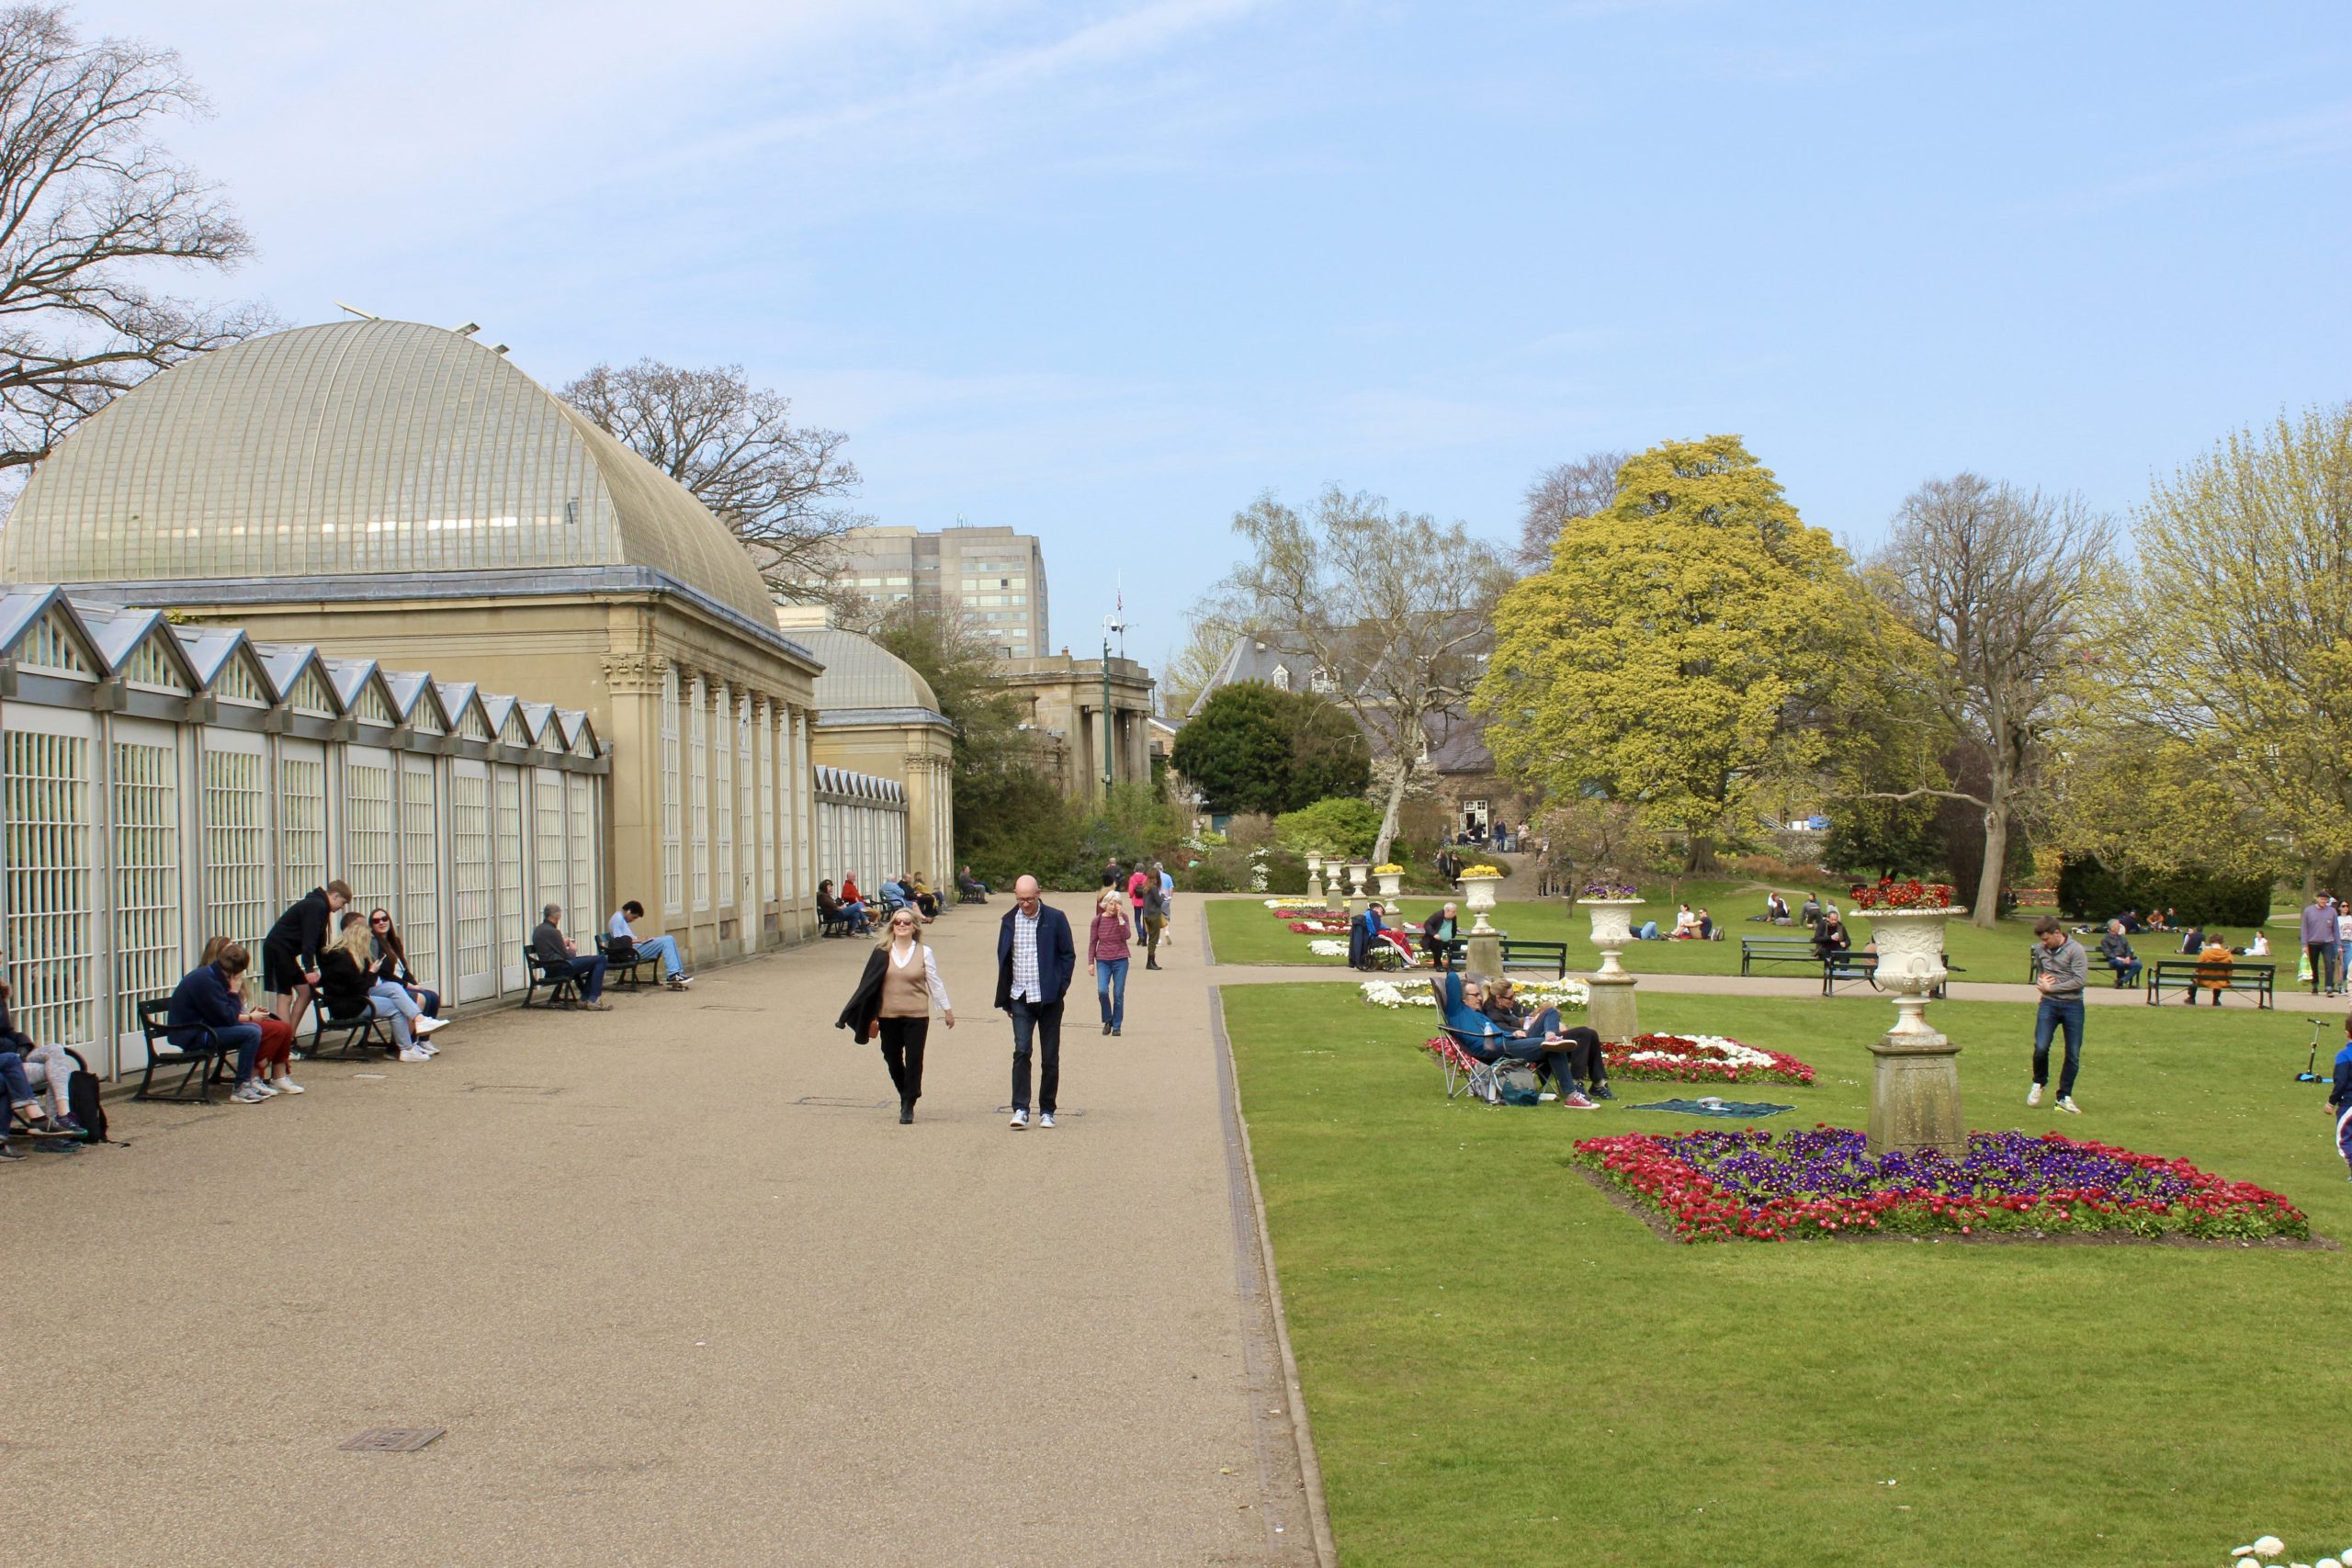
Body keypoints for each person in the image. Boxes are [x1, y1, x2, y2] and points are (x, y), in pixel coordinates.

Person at [835, 905, 955, 1123]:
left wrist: (947, 1010)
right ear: (892, 926)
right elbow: (867, 986)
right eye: (897, 922)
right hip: (888, 1015)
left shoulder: (924, 952)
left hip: (917, 1015)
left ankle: (908, 1104)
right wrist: (856, 1014)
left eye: (906, 922)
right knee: (891, 1057)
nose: (901, 925)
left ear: (914, 927)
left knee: (914, 1058)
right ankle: (906, 1091)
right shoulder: (882, 951)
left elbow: (935, 983)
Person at [1437, 972, 1595, 1109]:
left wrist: (1513, 1034)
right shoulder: (1456, 1011)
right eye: (1475, 995)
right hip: (1496, 1049)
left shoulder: (1478, 1014)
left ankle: (1550, 1037)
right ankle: (1571, 1095)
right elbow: (1451, 978)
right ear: (1463, 999)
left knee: (1550, 1012)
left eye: (1479, 994)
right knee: (1553, 1048)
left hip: (1509, 1042)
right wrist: (1456, 970)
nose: (1480, 998)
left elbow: (1498, 1031)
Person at [995, 875, 1075, 1130]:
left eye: (1029, 899)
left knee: (1050, 1056)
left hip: (1049, 998)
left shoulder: (1055, 918)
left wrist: (1060, 987)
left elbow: (1068, 955)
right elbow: (1004, 959)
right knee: (1022, 1051)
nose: (1025, 904)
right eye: (1020, 899)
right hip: (1020, 996)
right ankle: (1020, 1108)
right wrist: (1006, 997)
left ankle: (1047, 1110)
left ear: (1038, 894)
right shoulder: (1009, 921)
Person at [166, 942, 271, 1104]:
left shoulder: (211, 975)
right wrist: (234, 992)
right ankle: (241, 1086)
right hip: (193, 1034)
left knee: (253, 1028)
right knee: (251, 1033)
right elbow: (228, 1018)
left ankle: (247, 1081)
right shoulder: (205, 981)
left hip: (203, 1028)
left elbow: (226, 1015)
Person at [198, 934, 302, 1095]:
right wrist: (250, 1017)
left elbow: (234, 1009)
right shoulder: (210, 979)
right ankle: (255, 1075)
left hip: (235, 1020)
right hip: (219, 1026)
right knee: (271, 1030)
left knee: (284, 1027)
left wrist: (252, 1013)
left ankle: (279, 1075)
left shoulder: (231, 977)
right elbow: (220, 1014)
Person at [321, 916, 432, 1059]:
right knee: (396, 1009)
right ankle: (406, 1048)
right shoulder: (343, 958)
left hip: (354, 998)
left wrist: (371, 971)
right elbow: (358, 987)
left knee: (392, 986)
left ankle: (419, 1020)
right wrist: (372, 972)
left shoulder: (345, 955)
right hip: (348, 1004)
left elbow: (360, 984)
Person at [0, 954, 83, 1130]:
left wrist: (23, 1043)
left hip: (15, 1055)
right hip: (6, 1064)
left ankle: (63, 1115)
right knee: (57, 1070)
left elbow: (8, 1031)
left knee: (55, 1051)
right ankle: (51, 1127)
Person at [262, 879, 351, 1031]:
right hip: (278, 949)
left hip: (287, 952)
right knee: (285, 995)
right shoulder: (316, 906)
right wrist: (309, 969)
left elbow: (319, 944)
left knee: (306, 992)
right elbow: (309, 940)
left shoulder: (321, 908)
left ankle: (290, 1036)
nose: (342, 907)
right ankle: (284, 1044)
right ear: (335, 896)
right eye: (342, 903)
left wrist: (327, 967)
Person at [2027, 917, 2086, 1113]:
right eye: (2042, 940)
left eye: (2047, 939)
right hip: (2049, 1005)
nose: (2044, 943)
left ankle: (2064, 1097)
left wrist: (2052, 988)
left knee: (2073, 1053)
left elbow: (2079, 980)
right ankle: (2039, 1081)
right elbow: (2042, 973)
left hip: (2073, 1006)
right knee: (2041, 1046)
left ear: (2057, 933)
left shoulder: (2076, 950)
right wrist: (2042, 982)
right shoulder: (2040, 950)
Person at [531, 904, 612, 1011]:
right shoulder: (553, 932)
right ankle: (592, 999)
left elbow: (551, 948)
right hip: (561, 966)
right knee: (601, 959)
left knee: (595, 961)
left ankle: (585, 998)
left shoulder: (538, 930)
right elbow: (568, 956)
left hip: (551, 966)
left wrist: (562, 943)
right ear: (557, 916)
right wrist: (573, 949)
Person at [368, 909, 445, 1019]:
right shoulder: (375, 945)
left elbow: (404, 969)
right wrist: (409, 985)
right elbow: (384, 974)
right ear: (372, 925)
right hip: (392, 985)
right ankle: (411, 1035)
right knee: (422, 998)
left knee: (433, 998)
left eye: (384, 919)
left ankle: (424, 1035)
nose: (381, 923)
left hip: (403, 983)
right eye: (376, 921)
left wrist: (414, 984)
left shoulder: (395, 942)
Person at [606, 900, 693, 990]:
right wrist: (639, 940)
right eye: (634, 917)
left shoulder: (621, 919)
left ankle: (676, 973)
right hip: (631, 951)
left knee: (669, 939)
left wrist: (643, 941)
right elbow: (619, 942)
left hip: (634, 948)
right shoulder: (618, 919)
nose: (633, 920)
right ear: (628, 912)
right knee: (666, 940)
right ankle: (673, 974)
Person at [1087, 888, 1132, 1037]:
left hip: (1121, 959)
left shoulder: (1123, 917)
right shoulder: (1098, 920)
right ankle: (1108, 1019)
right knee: (1102, 991)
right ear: (1105, 904)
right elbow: (1093, 942)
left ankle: (1117, 1026)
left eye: (1117, 904)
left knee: (1118, 994)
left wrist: (1120, 919)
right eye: (1111, 904)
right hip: (1103, 960)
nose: (1113, 907)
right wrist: (1090, 962)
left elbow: (1127, 935)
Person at [2328, 1015, 2352, 1184]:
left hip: (2349, 1104)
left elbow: (2341, 1081)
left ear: (2347, 1033)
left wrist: (2331, 1102)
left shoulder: (2344, 1056)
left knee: (2345, 1139)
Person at [2303, 894, 2340, 998]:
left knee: (2329, 964)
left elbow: (2336, 929)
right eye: (2321, 899)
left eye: (2325, 900)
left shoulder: (2332, 911)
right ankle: (2314, 985)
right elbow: (2304, 929)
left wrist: (2339, 945)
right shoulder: (2308, 911)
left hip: (2328, 942)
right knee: (2313, 965)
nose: (2323, 901)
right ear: (2317, 899)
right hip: (2312, 942)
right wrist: (2304, 945)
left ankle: (2329, 987)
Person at [2096, 920, 2143, 988]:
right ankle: (2120, 983)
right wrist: (2119, 959)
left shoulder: (2122, 938)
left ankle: (2122, 981)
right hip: (2113, 960)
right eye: (2117, 925)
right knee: (2120, 963)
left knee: (2138, 965)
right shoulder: (2105, 939)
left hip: (2125, 959)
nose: (2119, 927)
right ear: (2112, 927)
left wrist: (2128, 957)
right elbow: (2107, 953)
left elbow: (2128, 949)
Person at [2191, 934, 2234, 1006]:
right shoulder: (2227, 954)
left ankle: (2191, 998)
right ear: (2222, 942)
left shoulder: (2205, 953)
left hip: (2205, 979)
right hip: (2221, 980)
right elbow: (2230, 969)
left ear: (2211, 941)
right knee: (2218, 976)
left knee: (2194, 976)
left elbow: (2197, 967)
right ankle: (2216, 1000)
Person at [1142, 871, 1170, 969]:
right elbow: (1159, 902)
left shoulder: (1146, 887)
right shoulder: (1153, 888)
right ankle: (1150, 962)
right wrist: (1163, 895)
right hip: (1154, 915)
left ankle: (1152, 961)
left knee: (1151, 938)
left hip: (1147, 915)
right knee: (1153, 939)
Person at [1420, 902, 1459, 967]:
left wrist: (1455, 928)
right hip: (1434, 941)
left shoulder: (1453, 918)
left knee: (1456, 946)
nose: (1455, 913)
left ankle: (1451, 965)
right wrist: (1434, 934)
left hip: (1447, 940)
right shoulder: (1438, 916)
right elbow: (1427, 924)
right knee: (1438, 945)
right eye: (1453, 912)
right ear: (1447, 911)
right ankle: (1438, 965)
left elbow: (1452, 927)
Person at [1126, 862, 1150, 941]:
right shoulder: (1146, 878)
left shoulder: (1132, 878)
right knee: (1145, 919)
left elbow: (1130, 891)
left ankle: (1140, 934)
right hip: (1145, 901)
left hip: (1136, 901)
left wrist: (1131, 896)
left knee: (1137, 919)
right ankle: (1144, 935)